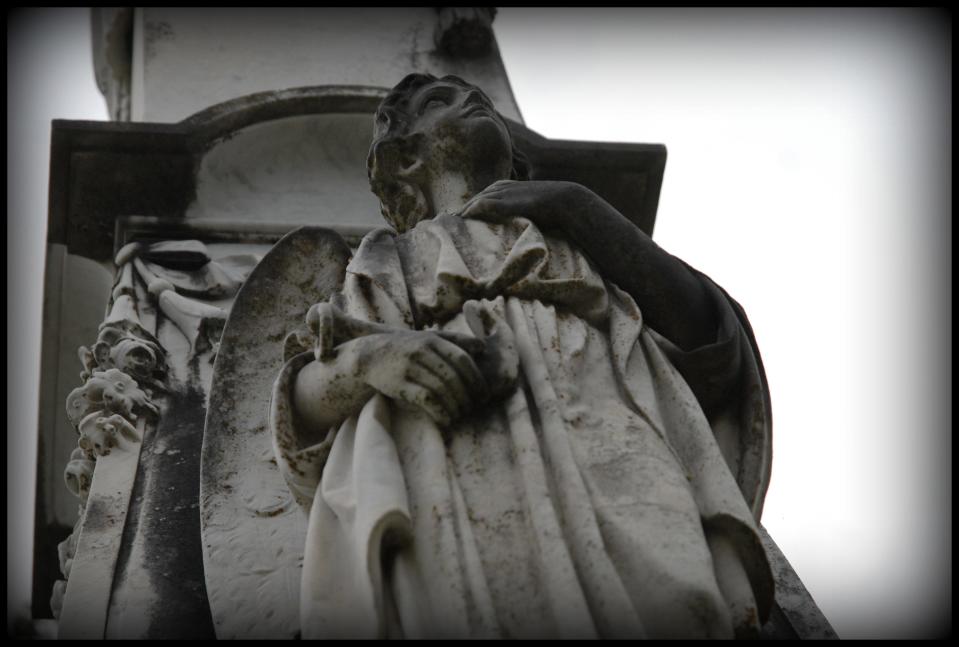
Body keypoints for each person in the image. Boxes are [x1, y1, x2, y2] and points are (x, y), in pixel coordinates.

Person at [270, 73, 774, 639]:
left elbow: (711, 340)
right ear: (404, 159)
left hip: (614, 443)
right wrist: (375, 359)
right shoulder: (391, 255)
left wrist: (580, 209)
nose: (469, 102)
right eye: (442, 102)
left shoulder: (581, 240)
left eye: (479, 100)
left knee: (683, 603)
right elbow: (305, 407)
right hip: (456, 458)